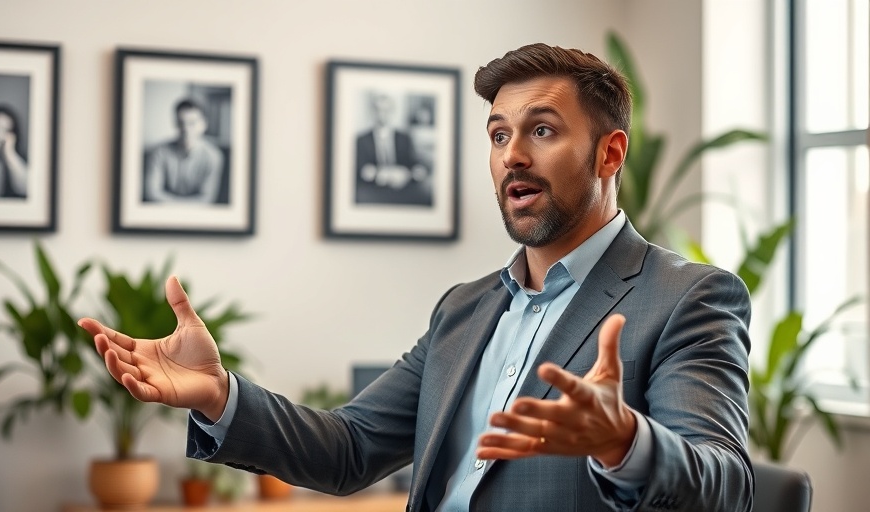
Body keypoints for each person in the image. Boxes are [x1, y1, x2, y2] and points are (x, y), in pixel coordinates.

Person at [80, 43, 753, 511]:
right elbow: (349, 449)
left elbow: (726, 486)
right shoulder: (464, 309)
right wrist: (218, 394)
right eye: (498, 135)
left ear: (610, 153)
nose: (512, 156)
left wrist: (624, 442)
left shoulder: (687, 298)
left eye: (542, 131)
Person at [355, 92, 432, 206]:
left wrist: (408, 174)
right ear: (373, 113)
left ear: (392, 112)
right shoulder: (361, 140)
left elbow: (416, 162)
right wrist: (379, 175)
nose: (382, 114)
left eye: (387, 110)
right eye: (379, 110)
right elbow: (360, 168)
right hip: (373, 191)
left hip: (402, 188)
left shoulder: (404, 138)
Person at [143, 98, 224, 204]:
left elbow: (207, 199)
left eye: (192, 123)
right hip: (164, 212)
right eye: (181, 122)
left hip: (193, 213)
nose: (186, 128)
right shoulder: (159, 152)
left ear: (204, 124)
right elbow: (152, 193)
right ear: (175, 123)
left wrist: (172, 204)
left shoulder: (214, 156)